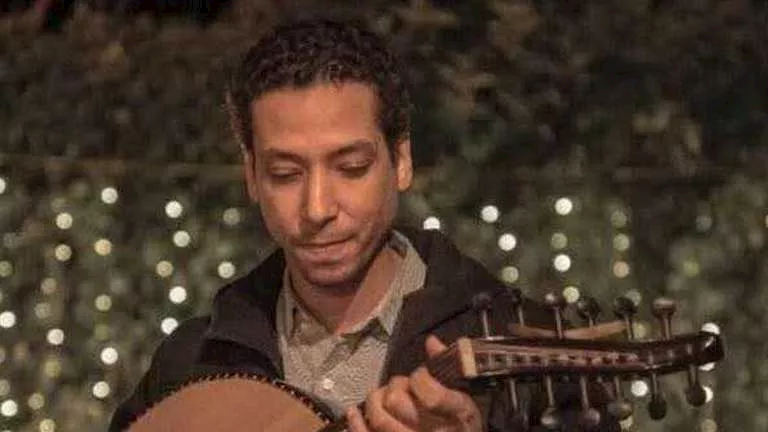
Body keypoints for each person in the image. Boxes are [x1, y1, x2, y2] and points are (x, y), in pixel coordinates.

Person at [110, 19, 618, 431]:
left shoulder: (517, 349)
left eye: (350, 167)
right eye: (285, 174)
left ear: (401, 161)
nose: (316, 207)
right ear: (251, 176)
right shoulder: (193, 365)